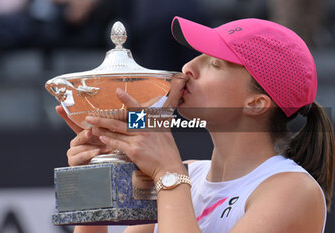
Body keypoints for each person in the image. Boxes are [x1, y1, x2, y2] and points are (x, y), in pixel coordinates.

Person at [56, 16, 335, 233]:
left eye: (214, 63)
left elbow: (171, 177)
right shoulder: (185, 174)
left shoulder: (293, 190)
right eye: (197, 54)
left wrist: (168, 173)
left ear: (256, 103)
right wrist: (97, 174)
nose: (188, 67)